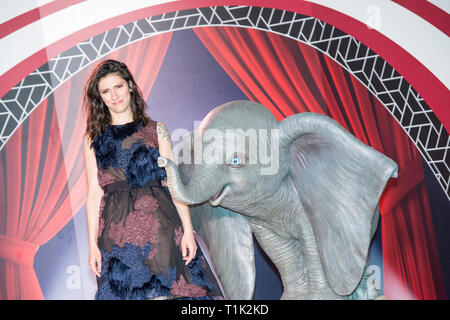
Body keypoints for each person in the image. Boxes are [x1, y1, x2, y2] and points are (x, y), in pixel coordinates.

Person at [82, 59, 224, 300]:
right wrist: (92, 246)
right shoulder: (93, 139)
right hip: (116, 238)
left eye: (118, 87)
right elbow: (94, 194)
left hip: (161, 228)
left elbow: (173, 183)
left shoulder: (156, 130)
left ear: (129, 86)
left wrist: (188, 231)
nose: (114, 96)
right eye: (105, 91)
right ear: (100, 98)